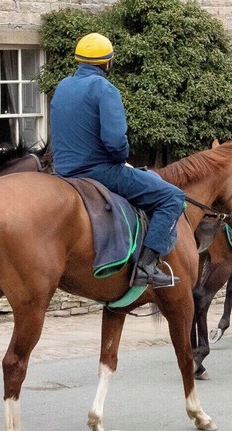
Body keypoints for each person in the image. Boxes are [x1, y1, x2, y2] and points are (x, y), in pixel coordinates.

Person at [49, 33, 184, 289]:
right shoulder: (105, 89)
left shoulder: (63, 85)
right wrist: (122, 158)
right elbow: (114, 140)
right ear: (107, 63)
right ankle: (147, 266)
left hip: (64, 172)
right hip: (99, 171)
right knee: (172, 197)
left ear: (79, 60)